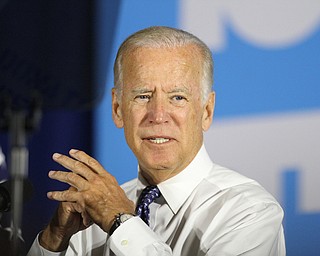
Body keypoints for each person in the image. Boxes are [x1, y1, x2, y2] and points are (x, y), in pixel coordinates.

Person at [28, 26, 286, 255]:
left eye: (177, 97)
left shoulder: (249, 211)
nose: (158, 115)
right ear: (118, 109)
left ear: (206, 112)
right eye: (142, 96)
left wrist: (120, 221)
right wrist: (54, 242)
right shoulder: (91, 213)